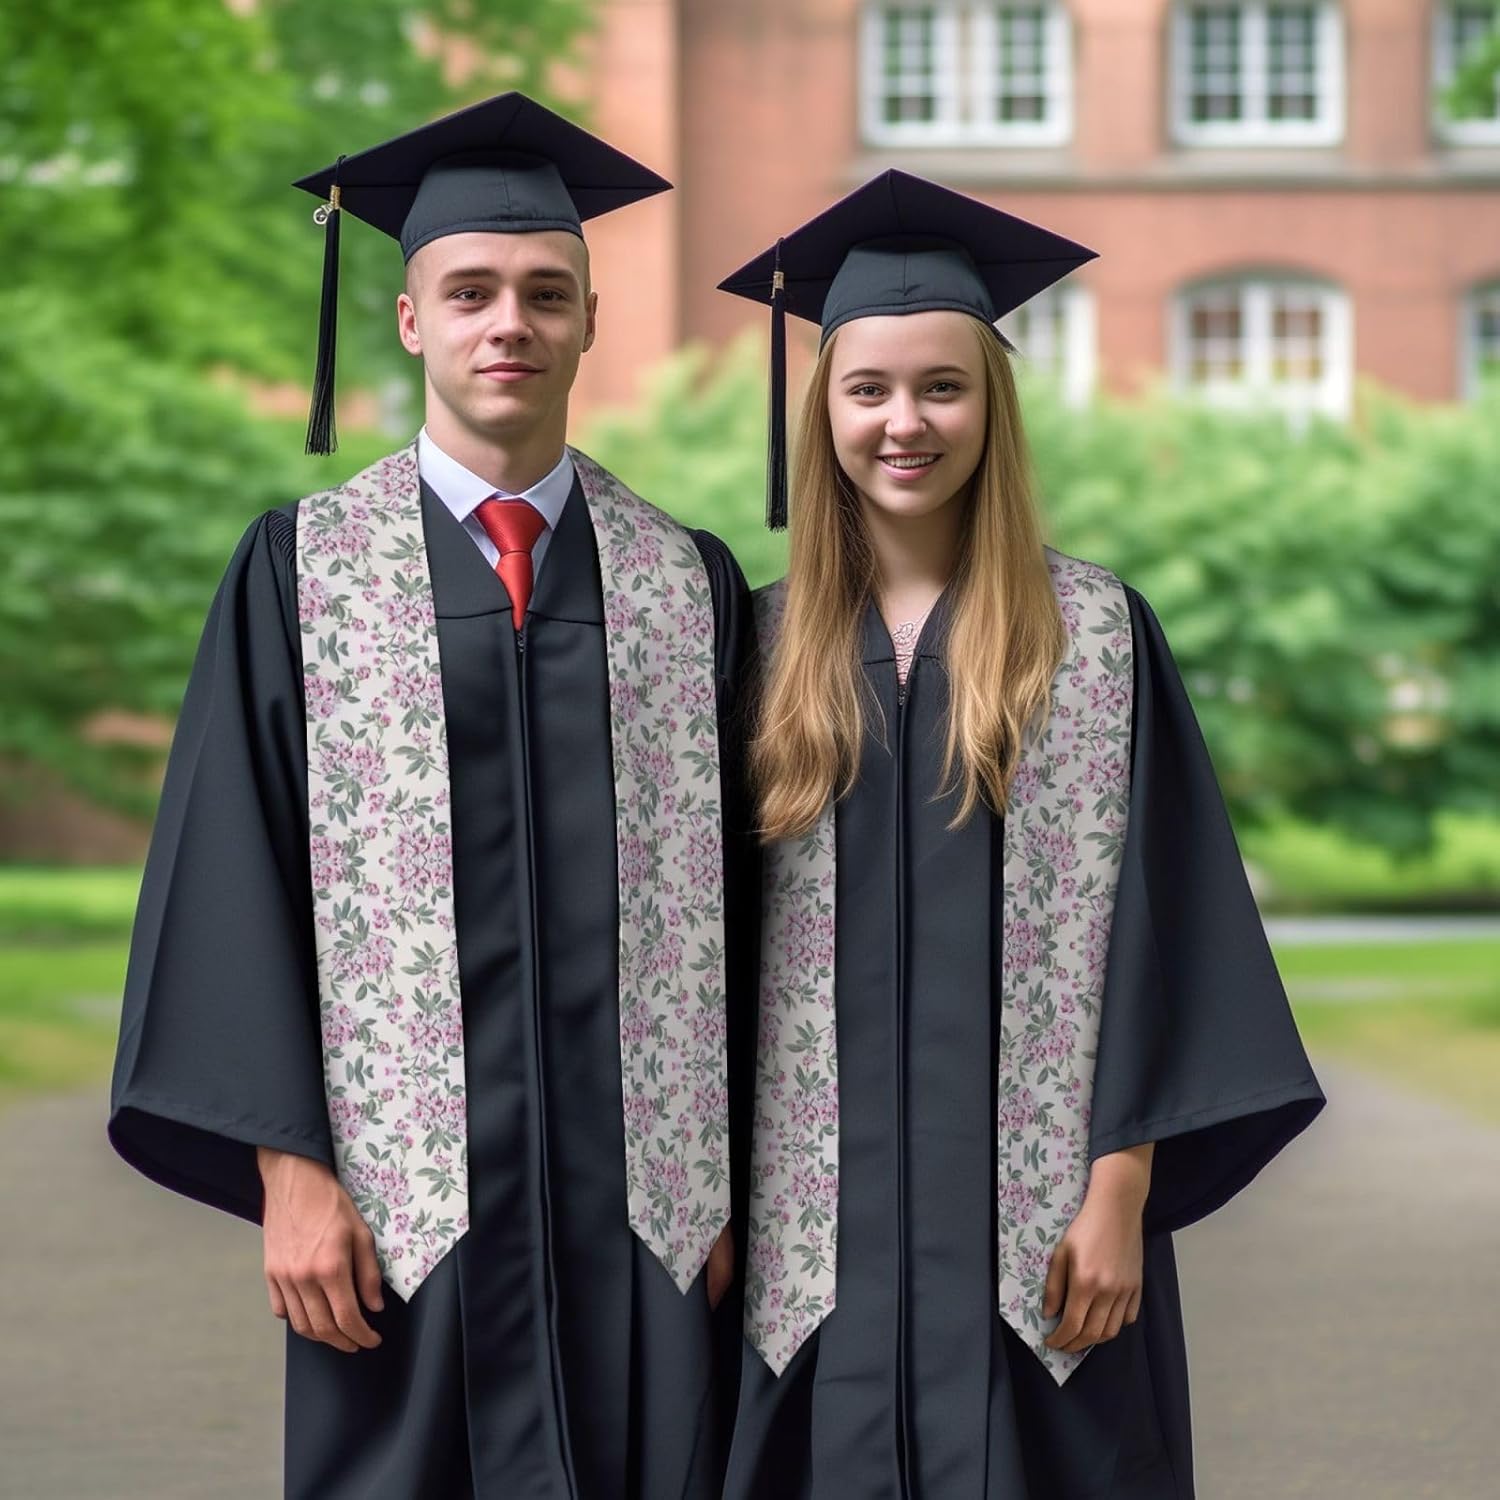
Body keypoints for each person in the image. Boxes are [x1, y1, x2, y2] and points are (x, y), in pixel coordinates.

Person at [109, 92, 756, 1500]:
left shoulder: (684, 582)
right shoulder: (304, 572)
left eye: (544, 293)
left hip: (645, 1222)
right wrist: (289, 1171)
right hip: (406, 1223)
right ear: (411, 320)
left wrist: (733, 1188)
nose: (507, 323)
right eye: (470, 293)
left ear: (589, 321)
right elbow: (232, 874)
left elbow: (754, 910)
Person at [716, 170, 1325, 1499]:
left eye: (943, 387)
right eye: (869, 389)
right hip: (807, 1255)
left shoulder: (1093, 638)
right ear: (821, 412)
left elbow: (1167, 928)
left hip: (1042, 1249)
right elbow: (689, 955)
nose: (905, 422)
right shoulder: (754, 647)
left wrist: (1121, 1191)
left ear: (993, 407)